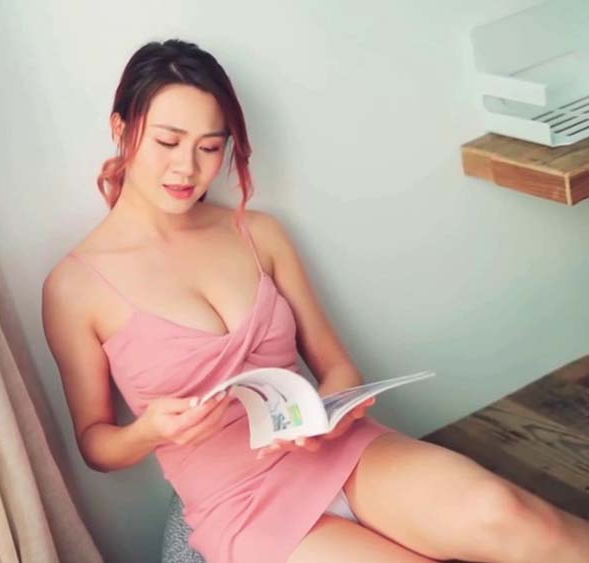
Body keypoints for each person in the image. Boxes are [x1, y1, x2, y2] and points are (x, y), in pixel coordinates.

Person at [41, 39, 589, 563]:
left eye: (209, 147)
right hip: (240, 503)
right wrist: (150, 431)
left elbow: (338, 367)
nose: (187, 167)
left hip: (338, 451)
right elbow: (95, 443)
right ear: (121, 128)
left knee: (507, 512)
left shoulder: (258, 232)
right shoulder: (75, 287)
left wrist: (329, 413)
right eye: (167, 142)